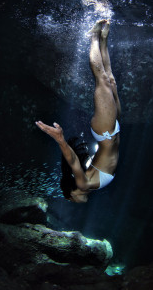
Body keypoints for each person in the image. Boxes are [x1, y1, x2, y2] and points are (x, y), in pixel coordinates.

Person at [36, 19, 121, 203]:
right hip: (113, 130)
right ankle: (103, 39)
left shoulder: (82, 184)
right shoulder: (89, 183)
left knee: (102, 80)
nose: (74, 203)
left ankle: (93, 37)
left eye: (71, 200)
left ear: (72, 193)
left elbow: (73, 162)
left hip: (105, 131)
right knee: (111, 81)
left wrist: (60, 140)